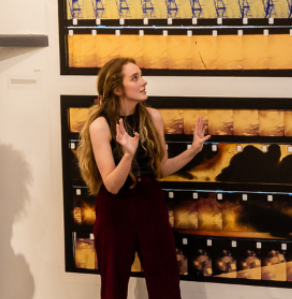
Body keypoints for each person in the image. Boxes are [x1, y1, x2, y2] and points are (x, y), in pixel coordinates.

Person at [76, 57, 211, 299]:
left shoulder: (153, 117)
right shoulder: (100, 125)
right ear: (117, 88)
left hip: (151, 202)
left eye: (141, 76)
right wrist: (128, 155)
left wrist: (193, 150)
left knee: (165, 281)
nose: (144, 81)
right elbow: (112, 185)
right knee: (113, 286)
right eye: (135, 77)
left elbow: (161, 169)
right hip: (115, 208)